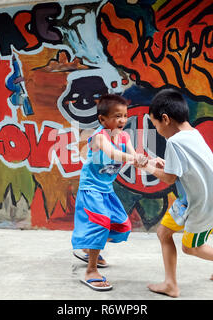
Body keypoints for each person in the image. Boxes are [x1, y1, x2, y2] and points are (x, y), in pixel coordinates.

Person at [139, 88, 213, 298]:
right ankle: (171, 284)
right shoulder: (193, 133)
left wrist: (147, 167)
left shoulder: (174, 142)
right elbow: (184, 169)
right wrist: (164, 164)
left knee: (190, 248)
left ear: (165, 119)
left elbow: (170, 178)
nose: (156, 129)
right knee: (164, 233)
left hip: (203, 205)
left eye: (155, 124)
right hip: (188, 201)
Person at [71, 94, 147, 291]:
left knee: (122, 226)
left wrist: (149, 162)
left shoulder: (124, 136)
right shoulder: (98, 137)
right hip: (91, 189)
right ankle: (91, 271)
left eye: (124, 116)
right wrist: (133, 159)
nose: (122, 120)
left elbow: (133, 154)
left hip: (106, 190)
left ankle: (89, 248)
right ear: (102, 120)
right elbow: (112, 153)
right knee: (100, 224)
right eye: (116, 116)